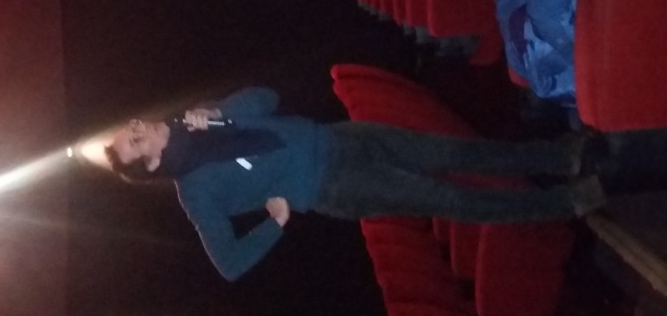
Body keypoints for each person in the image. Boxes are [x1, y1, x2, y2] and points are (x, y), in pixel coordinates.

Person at [104, 87, 603, 281]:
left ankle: (560, 155)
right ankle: (565, 203)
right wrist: (274, 223)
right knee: (449, 197)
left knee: (453, 152)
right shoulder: (195, 193)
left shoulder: (200, 120)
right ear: (151, 164)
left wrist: (221, 114)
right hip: (334, 186)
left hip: (340, 137)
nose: (140, 127)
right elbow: (229, 264)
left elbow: (270, 99)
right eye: (135, 141)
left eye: (132, 127)